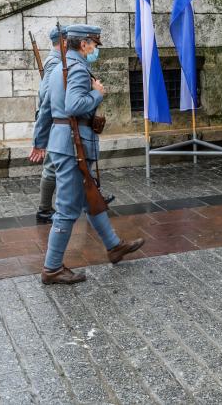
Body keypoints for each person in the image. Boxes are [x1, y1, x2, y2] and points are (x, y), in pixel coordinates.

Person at [31, 24, 144, 284]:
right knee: (68, 210)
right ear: (84, 44)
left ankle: (114, 247)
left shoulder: (61, 66)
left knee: (89, 199)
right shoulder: (78, 68)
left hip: (63, 144)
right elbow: (73, 105)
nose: (94, 49)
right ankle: (52, 269)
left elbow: (46, 105)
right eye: (94, 44)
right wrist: (97, 94)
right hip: (74, 146)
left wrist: (39, 141)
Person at [34, 26, 63, 224]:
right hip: (54, 120)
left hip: (56, 119)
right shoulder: (55, 63)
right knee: (52, 165)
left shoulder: (59, 61)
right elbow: (46, 95)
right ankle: (44, 209)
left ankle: (92, 200)